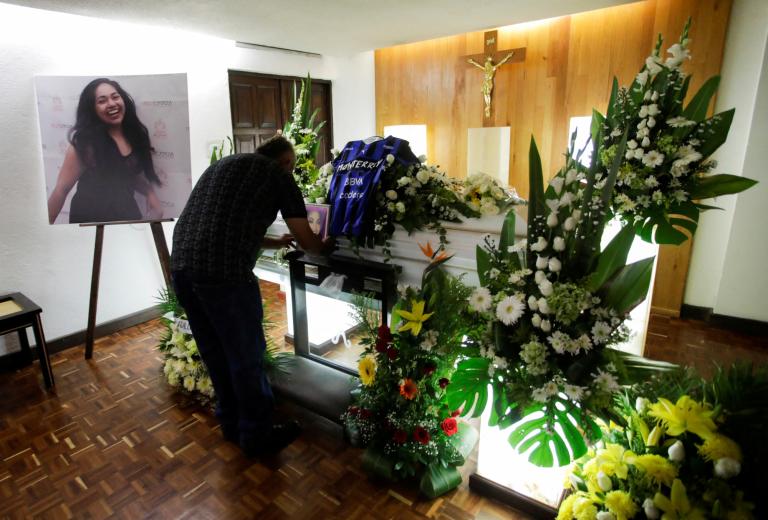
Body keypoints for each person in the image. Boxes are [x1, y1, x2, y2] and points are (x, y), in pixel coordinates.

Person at [170, 135, 334, 457]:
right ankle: (258, 434)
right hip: (224, 275)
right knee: (246, 355)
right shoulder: (278, 176)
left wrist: (274, 243)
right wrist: (324, 244)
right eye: (293, 165)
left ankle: (231, 423)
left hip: (182, 268)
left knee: (215, 352)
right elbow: (308, 240)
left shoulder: (223, 165)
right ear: (286, 162)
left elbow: (222, 227)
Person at [47, 78, 163, 224]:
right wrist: (45, 229)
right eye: (102, 101)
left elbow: (128, 174)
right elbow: (61, 190)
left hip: (126, 216)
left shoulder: (134, 137)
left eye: (115, 97)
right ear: (92, 109)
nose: (112, 104)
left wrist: (149, 193)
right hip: (90, 222)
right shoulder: (85, 145)